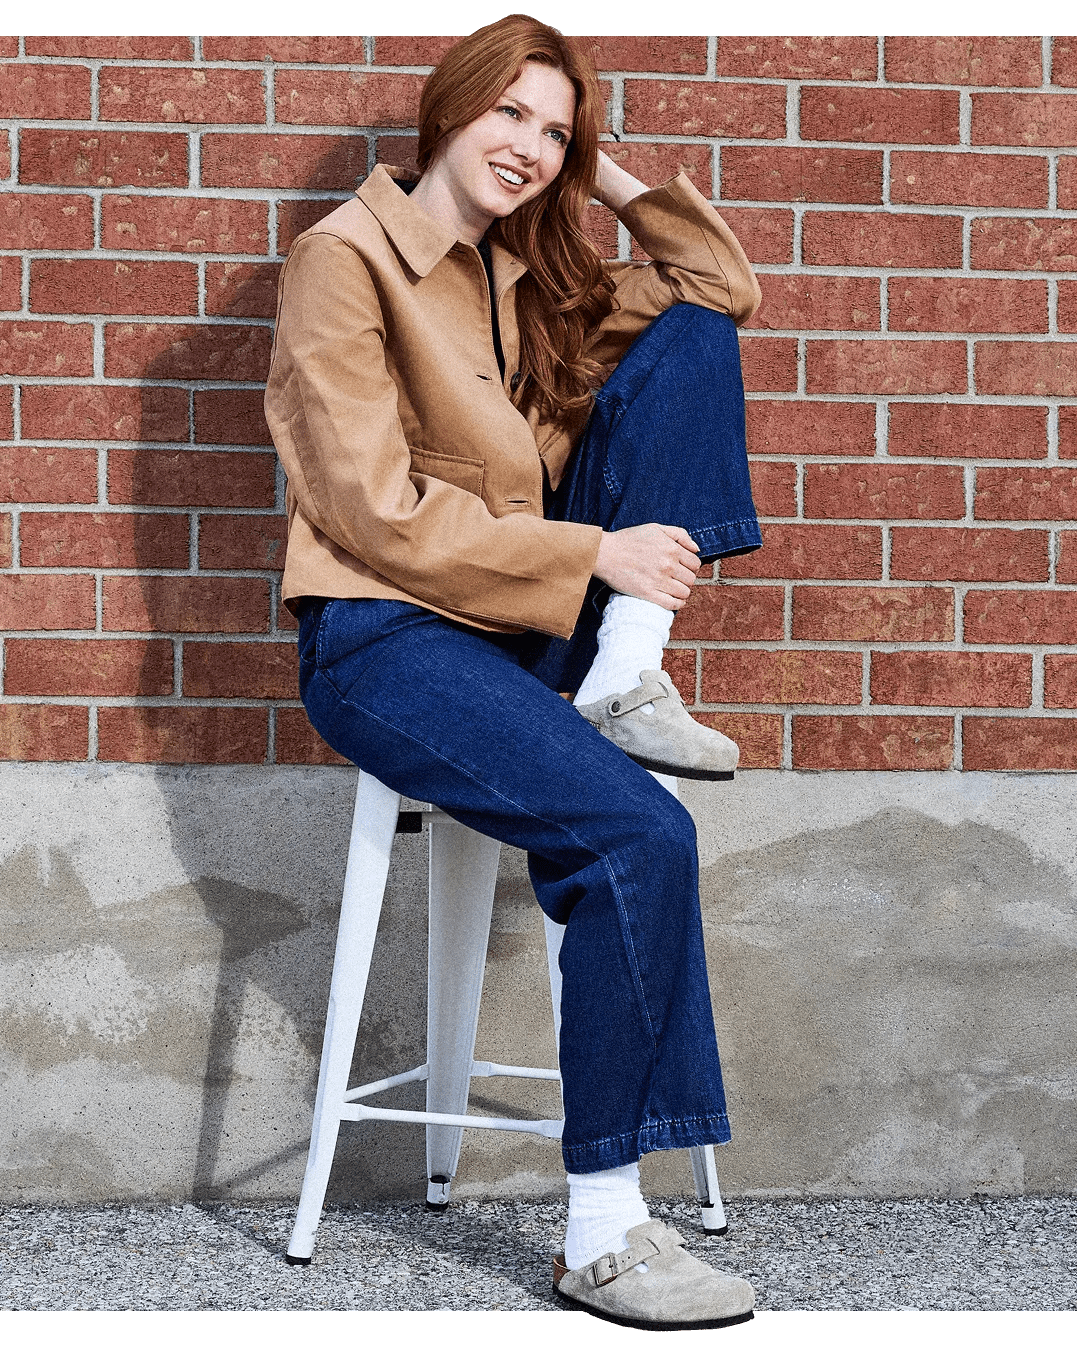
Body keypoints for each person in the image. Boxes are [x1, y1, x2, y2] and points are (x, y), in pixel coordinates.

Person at [265, 14, 763, 1330]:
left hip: (518, 627)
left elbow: (717, 283)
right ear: (451, 109)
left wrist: (602, 171)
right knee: (638, 832)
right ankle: (604, 1231)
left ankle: (629, 675)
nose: (532, 149)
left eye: (556, 129)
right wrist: (598, 550)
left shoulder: (523, 277)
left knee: (691, 344)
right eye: (514, 117)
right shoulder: (343, 261)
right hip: (383, 640)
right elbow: (370, 514)